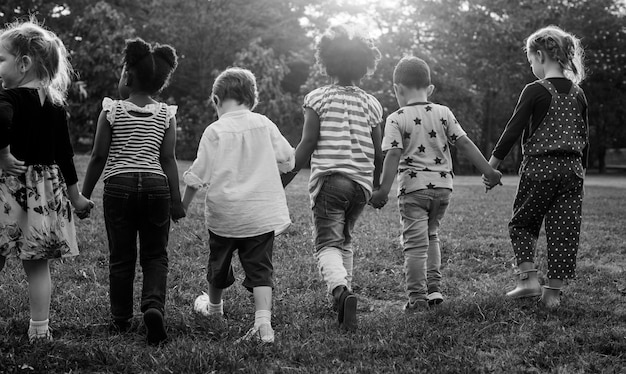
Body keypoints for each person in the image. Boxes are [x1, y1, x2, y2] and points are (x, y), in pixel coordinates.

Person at [370, 56, 502, 311]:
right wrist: (490, 171)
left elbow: (393, 155)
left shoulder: (396, 118)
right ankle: (434, 290)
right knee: (432, 236)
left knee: (415, 244)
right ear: (429, 89)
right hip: (442, 190)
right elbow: (463, 143)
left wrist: (383, 191)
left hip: (414, 191)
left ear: (397, 89)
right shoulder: (443, 112)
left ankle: (417, 298)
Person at [81, 38, 185, 345]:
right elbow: (168, 159)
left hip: (119, 187)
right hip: (156, 187)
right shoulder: (167, 113)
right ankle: (153, 306)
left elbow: (98, 156)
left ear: (127, 77)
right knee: (155, 255)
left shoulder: (111, 110)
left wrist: (85, 196)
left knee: (122, 257)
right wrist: (176, 202)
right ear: (160, 83)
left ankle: (121, 319)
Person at [281, 24, 383, 331]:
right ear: (364, 65)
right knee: (345, 240)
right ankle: (343, 299)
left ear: (326, 61)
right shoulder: (372, 103)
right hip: (361, 187)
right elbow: (379, 151)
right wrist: (378, 185)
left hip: (331, 182)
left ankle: (340, 292)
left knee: (326, 242)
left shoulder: (318, 98)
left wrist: (284, 179)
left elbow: (307, 144)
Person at [183, 67, 294, 344]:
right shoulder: (264, 124)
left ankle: (215, 309)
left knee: (218, 264)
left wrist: (182, 206)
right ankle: (263, 324)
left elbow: (198, 175)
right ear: (251, 100)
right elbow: (288, 160)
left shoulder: (215, 130)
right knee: (260, 269)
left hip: (225, 214)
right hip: (259, 213)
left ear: (216, 100)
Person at [0, 19, 93, 342]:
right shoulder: (55, 105)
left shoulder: (9, 98)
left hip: (9, 189)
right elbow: (65, 154)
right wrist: (76, 196)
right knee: (38, 266)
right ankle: (39, 329)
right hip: (44, 193)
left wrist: (3, 154)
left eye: (2, 59)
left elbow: (0, 121)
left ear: (23, 64)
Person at [485, 26, 588, 309]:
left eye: (531, 60)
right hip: (572, 171)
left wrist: (491, 167)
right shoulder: (579, 94)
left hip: (540, 168)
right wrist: (582, 173)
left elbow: (512, 131)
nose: (531, 66)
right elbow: (584, 138)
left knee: (523, 223)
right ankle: (552, 294)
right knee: (564, 230)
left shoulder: (534, 90)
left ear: (540, 56)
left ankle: (528, 279)